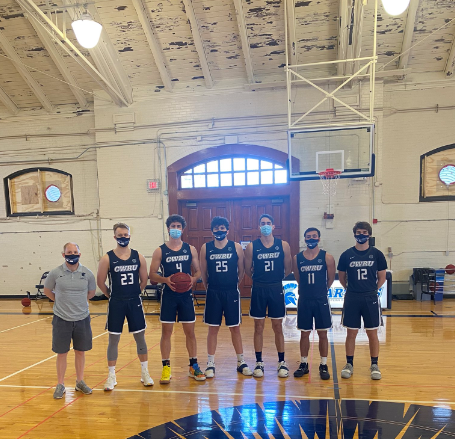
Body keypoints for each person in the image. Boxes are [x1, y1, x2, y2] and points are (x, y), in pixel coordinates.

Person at [149, 214, 206, 383]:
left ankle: (193, 366)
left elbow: (199, 271)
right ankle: (166, 367)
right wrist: (166, 280)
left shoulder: (190, 249)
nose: (175, 229)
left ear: (182, 229)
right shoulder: (160, 250)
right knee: (166, 332)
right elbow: (152, 275)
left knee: (190, 332)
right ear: (168, 229)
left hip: (186, 296)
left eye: (178, 226)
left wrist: (193, 280)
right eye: (172, 226)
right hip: (169, 295)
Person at [97, 223, 153, 391]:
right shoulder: (107, 258)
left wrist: (135, 293)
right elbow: (100, 282)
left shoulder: (138, 256)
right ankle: (111, 376)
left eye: (125, 235)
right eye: (119, 235)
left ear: (129, 236)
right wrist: (112, 296)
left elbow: (144, 280)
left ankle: (145, 373)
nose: (123, 237)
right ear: (115, 237)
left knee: (140, 338)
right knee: (113, 339)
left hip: (134, 301)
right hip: (116, 302)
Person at [199, 216, 252, 378]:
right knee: (212, 329)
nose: (219, 230)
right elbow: (203, 271)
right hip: (214, 292)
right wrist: (210, 288)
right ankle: (210, 363)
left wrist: (233, 284)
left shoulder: (235, 247)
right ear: (212, 230)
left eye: (222, 228)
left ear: (227, 230)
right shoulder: (205, 248)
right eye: (216, 228)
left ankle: (241, 361)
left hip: (231, 292)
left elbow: (241, 270)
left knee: (235, 328)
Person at [44, 242, 96, 399]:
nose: (72, 254)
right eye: (69, 252)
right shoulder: (55, 273)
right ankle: (60, 384)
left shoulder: (87, 273)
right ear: (63, 254)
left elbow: (91, 293)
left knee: (80, 351)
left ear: (80, 254)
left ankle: (80, 381)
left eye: (75, 252)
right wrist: (61, 302)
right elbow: (48, 291)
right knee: (62, 353)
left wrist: (78, 303)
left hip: (82, 318)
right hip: (61, 319)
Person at [337, 221, 387, 380]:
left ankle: (374, 364)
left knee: (372, 333)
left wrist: (371, 290)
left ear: (369, 235)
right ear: (354, 234)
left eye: (364, 232)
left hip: (370, 297)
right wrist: (352, 289)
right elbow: (341, 277)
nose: (361, 235)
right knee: (351, 333)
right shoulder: (346, 255)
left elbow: (382, 277)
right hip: (352, 297)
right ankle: (349, 363)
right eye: (358, 232)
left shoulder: (377, 254)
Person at [244, 214, 292, 378]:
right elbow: (247, 269)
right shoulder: (252, 247)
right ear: (259, 227)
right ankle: (259, 362)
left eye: (268, 223)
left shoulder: (283, 245)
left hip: (276, 288)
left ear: (273, 226)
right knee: (258, 327)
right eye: (262, 223)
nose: (265, 226)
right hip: (259, 288)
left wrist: (273, 279)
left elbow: (288, 269)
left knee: (278, 326)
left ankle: (281, 362)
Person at [292, 228, 336, 380]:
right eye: (308, 236)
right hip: (304, 299)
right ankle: (304, 363)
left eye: (314, 236)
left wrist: (321, 290)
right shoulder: (297, 258)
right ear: (304, 239)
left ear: (319, 238)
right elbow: (298, 278)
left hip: (320, 300)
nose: (311, 239)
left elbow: (330, 279)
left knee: (322, 333)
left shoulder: (327, 257)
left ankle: (323, 364)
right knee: (304, 333)